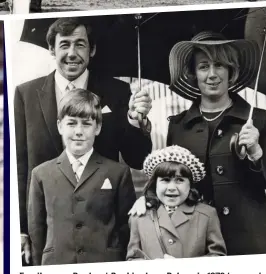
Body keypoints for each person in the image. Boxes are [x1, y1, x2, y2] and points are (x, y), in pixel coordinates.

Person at [130, 31, 266, 255]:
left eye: (220, 65)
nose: (212, 74)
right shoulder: (179, 126)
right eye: (204, 66)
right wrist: (146, 202)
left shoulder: (258, 119)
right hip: (196, 243)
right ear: (194, 74)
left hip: (252, 241)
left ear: (231, 71)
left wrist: (256, 152)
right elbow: (171, 179)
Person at [14, 17, 152, 264]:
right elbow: (20, 166)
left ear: (92, 50)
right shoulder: (26, 94)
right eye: (64, 44)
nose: (72, 53)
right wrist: (21, 228)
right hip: (51, 237)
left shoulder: (118, 92)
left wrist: (134, 121)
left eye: (80, 44)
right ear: (52, 50)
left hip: (103, 237)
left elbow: (138, 159)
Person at [28, 89, 136, 265]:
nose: (79, 131)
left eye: (86, 124)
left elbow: (126, 228)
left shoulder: (118, 173)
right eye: (71, 123)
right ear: (59, 126)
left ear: (98, 127)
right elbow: (37, 229)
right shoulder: (41, 174)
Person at [126, 145, 226, 260]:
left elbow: (218, 257)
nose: (172, 187)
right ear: (155, 184)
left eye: (180, 180)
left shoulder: (207, 215)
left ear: (190, 185)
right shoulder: (139, 218)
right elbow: (132, 258)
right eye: (165, 180)